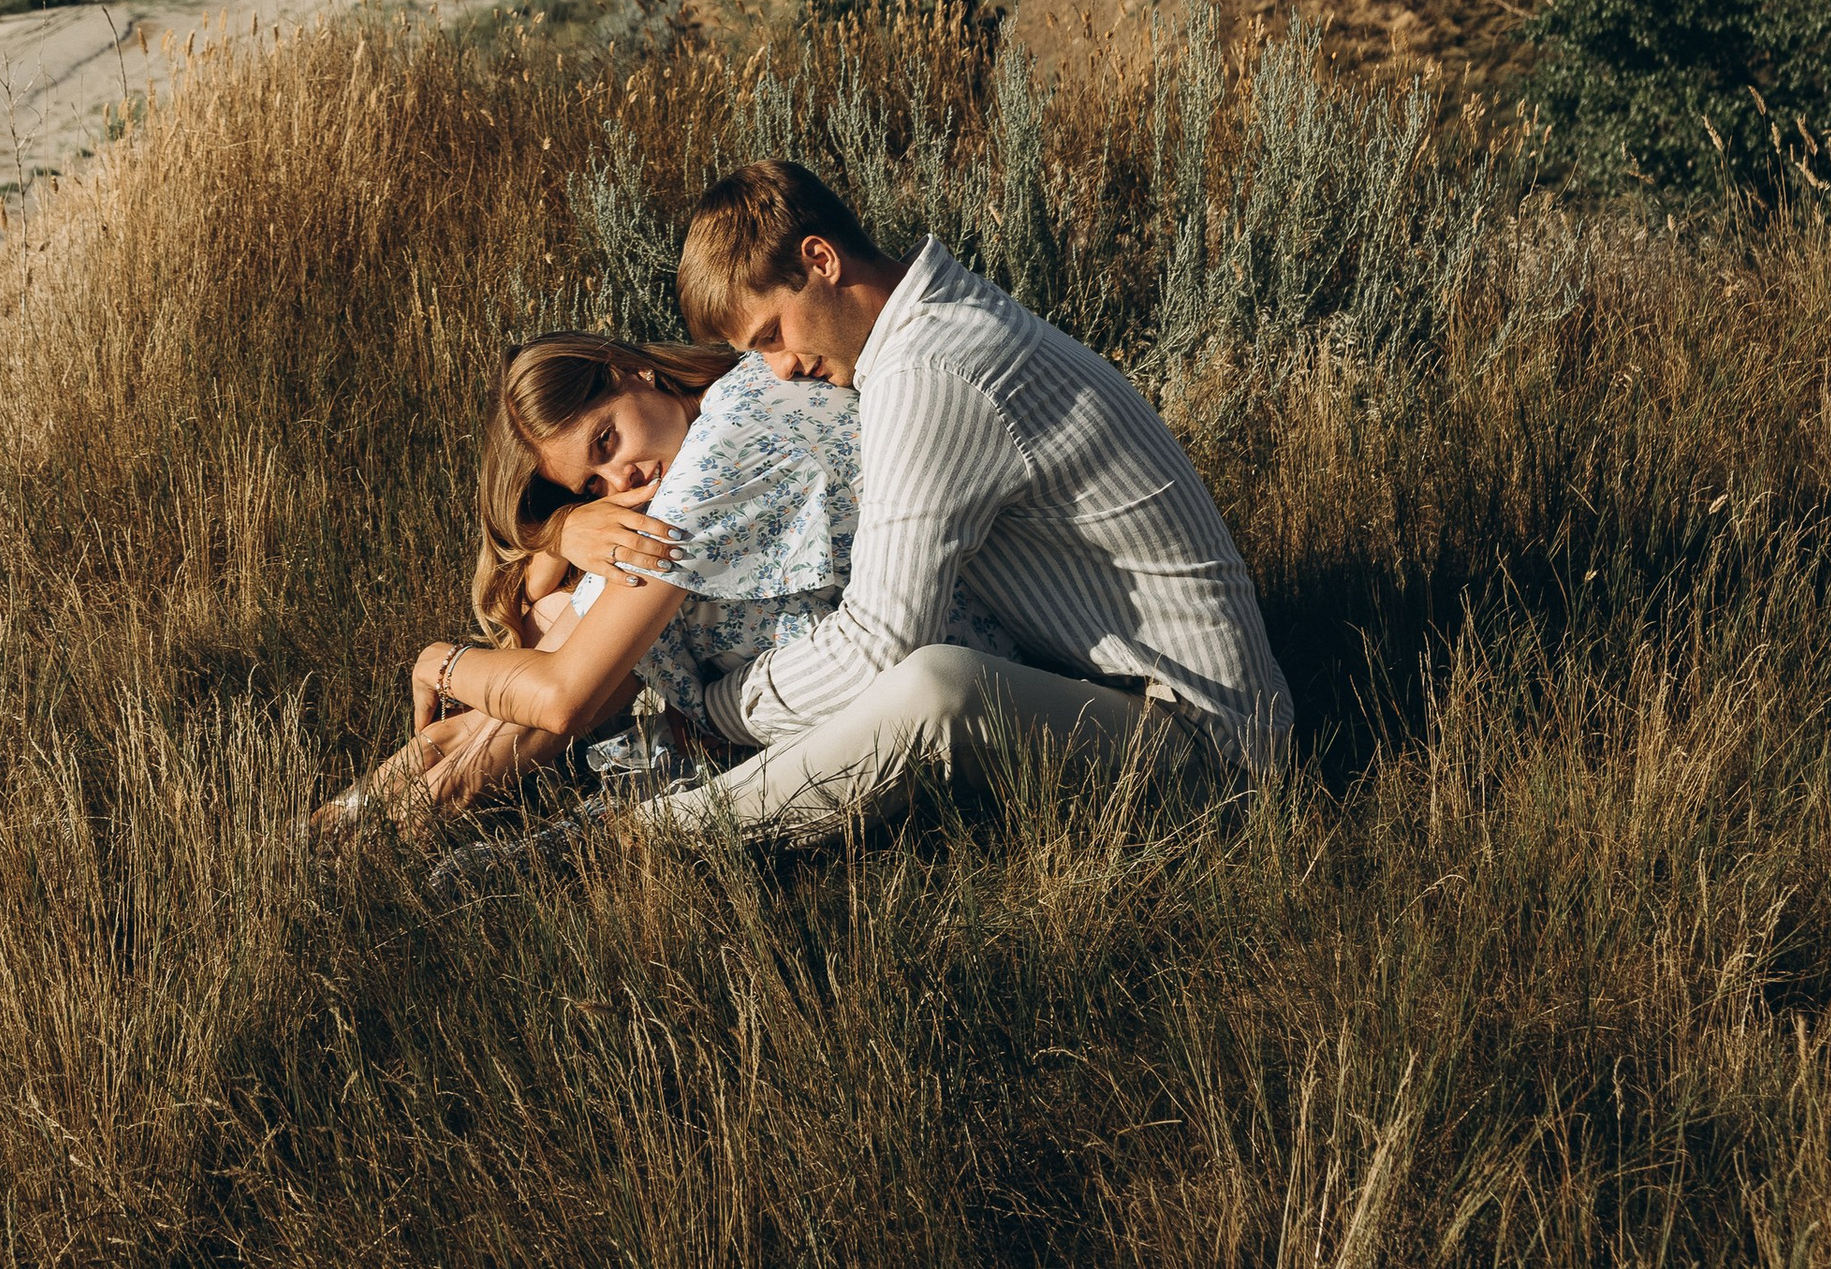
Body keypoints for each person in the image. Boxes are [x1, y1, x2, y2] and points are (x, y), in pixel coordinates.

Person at [584, 158, 1294, 852]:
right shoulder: (933, 321)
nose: (778, 368)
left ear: (821, 258)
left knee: (932, 691)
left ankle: (655, 837)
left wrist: (718, 708)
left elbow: (876, 646)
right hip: (1120, 697)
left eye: (771, 333)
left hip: (1211, 751)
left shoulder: (930, 371)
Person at [325, 328, 867, 835]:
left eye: (606, 442)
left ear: (631, 371)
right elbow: (537, 592)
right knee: (566, 613)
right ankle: (355, 822)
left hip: (844, 662)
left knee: (595, 605)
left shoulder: (706, 469)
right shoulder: (746, 378)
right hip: (828, 624)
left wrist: (441, 663)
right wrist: (562, 528)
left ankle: (391, 825)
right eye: (592, 484)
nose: (620, 482)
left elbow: (563, 700)